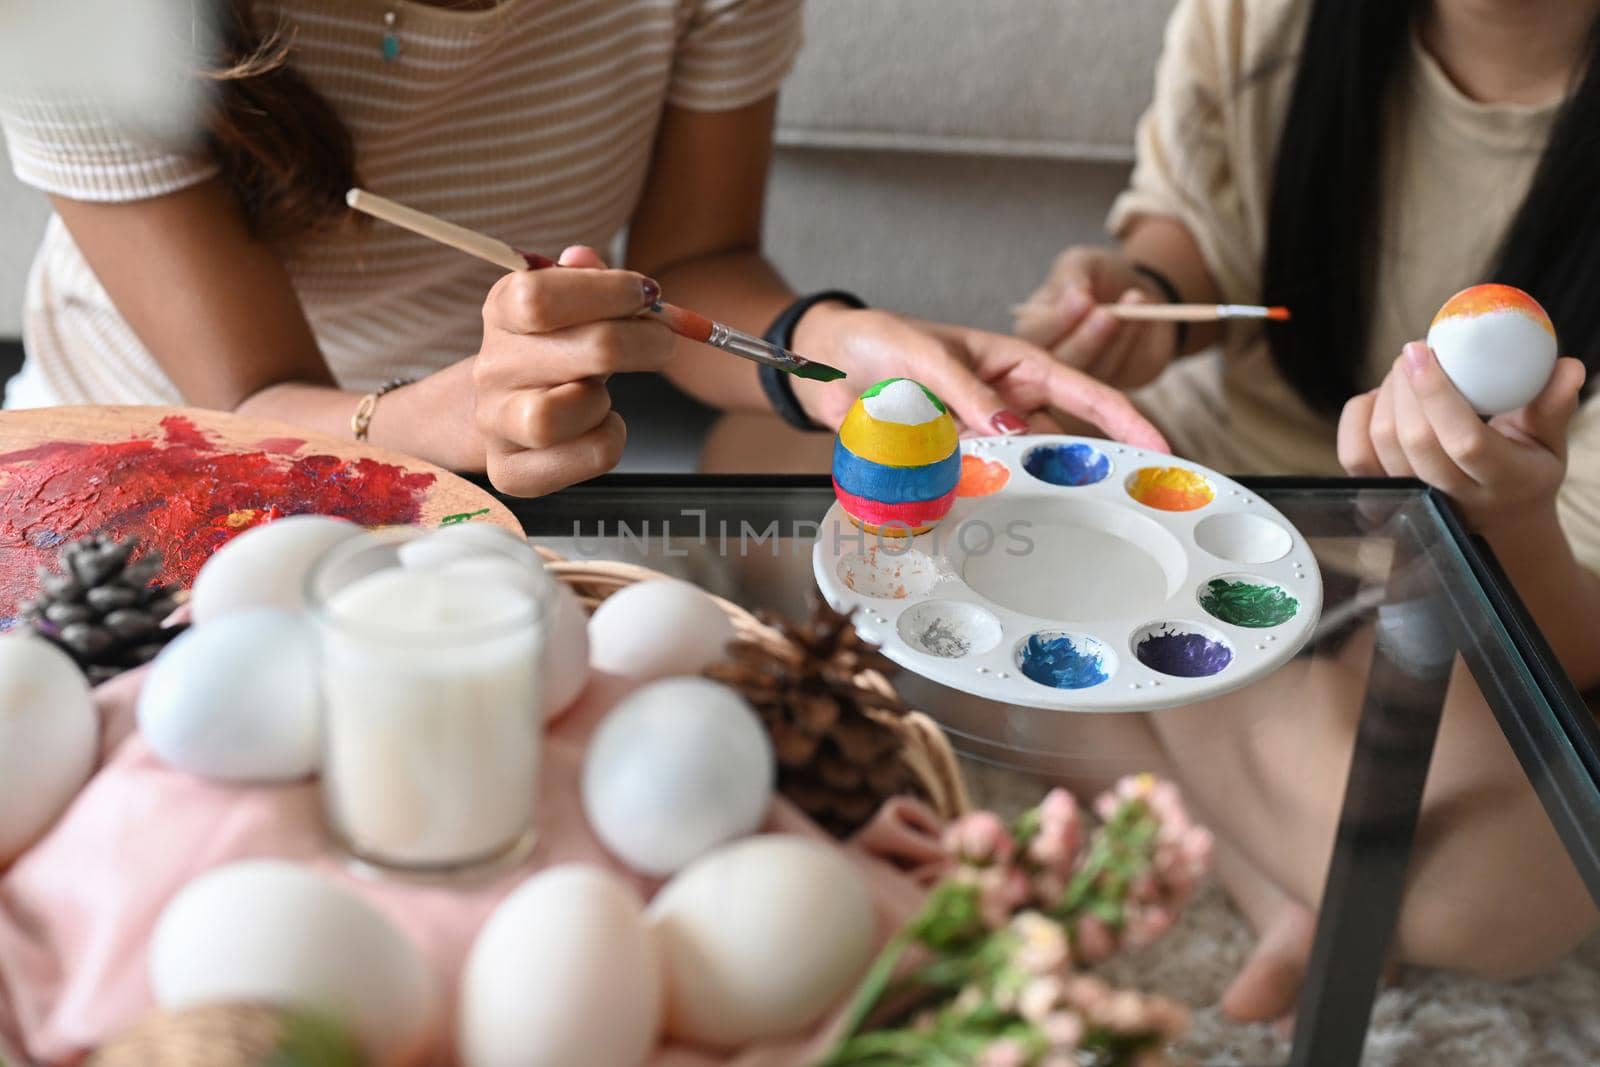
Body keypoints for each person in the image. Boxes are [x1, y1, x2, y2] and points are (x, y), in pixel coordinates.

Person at [1017, 0, 1600, 1023]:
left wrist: (1505, 520)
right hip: (1205, 480)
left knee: (1503, 890)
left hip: (1470, 613)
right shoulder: (1259, 18)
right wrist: (1144, 290)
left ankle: (1142, 707)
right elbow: (1194, 218)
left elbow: (1573, 643)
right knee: (801, 470)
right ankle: (1288, 864)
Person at [0, 0, 1164, 496]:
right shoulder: (86, 23)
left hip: (489, 461)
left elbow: (694, 263)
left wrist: (824, 346)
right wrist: (460, 416)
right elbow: (251, 394)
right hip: (168, 444)